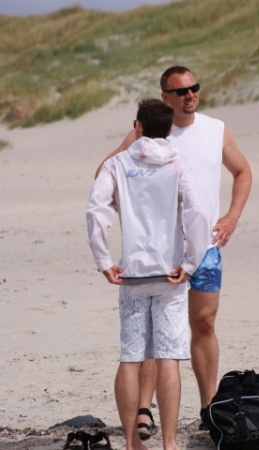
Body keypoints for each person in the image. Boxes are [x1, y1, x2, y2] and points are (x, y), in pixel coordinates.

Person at [95, 66, 252, 432]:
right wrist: (135, 216)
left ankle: (209, 408)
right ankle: (145, 408)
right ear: (164, 97)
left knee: (204, 322)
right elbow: (107, 173)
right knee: (154, 332)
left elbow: (242, 171)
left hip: (206, 246)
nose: (190, 96)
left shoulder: (216, 129)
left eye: (194, 88)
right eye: (181, 91)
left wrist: (231, 217)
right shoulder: (146, 135)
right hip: (161, 250)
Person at [87, 98, 211, 450]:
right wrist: (190, 263)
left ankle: (132, 443)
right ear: (169, 129)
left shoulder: (117, 163)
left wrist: (104, 260)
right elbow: (198, 213)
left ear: (137, 126)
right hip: (169, 273)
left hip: (132, 273)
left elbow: (96, 211)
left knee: (131, 356)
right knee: (167, 356)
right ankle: (170, 443)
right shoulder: (178, 162)